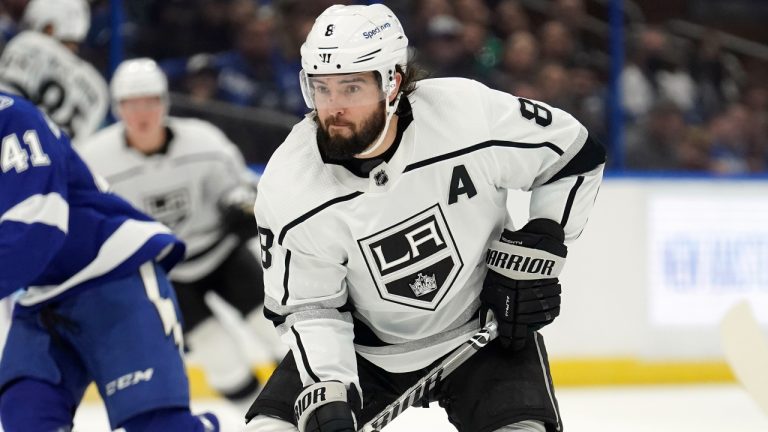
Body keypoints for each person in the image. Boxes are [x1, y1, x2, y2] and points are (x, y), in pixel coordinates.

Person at [245, 4, 605, 432]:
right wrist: (330, 390)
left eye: (351, 88)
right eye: (322, 89)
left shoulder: (466, 116)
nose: (333, 108)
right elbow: (310, 307)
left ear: (393, 82)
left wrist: (541, 243)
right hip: (363, 353)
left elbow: (573, 154)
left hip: (482, 333)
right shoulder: (290, 183)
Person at [78, 57, 286, 413]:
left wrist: (239, 204)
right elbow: (85, 220)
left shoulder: (203, 141)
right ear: (117, 108)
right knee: (218, 355)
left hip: (222, 253)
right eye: (132, 103)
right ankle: (266, 420)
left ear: (165, 102)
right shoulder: (95, 160)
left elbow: (241, 188)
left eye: (150, 101)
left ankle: (307, 408)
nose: (142, 113)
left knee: (277, 334)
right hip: (162, 271)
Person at [0, 93, 218, 431]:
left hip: (113, 273)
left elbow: (38, 226)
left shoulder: (10, 117)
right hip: (43, 295)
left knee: (156, 425)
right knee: (27, 415)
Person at [0, 0, 108, 142]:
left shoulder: (27, 43)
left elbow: (5, 100)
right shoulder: (98, 90)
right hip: (49, 160)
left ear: (49, 27)